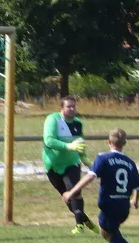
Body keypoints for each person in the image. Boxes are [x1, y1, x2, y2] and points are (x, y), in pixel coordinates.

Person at [62, 128, 139, 243]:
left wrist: (71, 192)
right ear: (124, 143)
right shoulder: (130, 162)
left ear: (108, 141)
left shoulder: (103, 158)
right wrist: (135, 201)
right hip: (124, 206)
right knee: (112, 228)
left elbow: (90, 177)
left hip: (109, 204)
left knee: (105, 232)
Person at [42, 96, 98, 235]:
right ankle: (85, 220)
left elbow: (79, 142)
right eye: (69, 106)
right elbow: (49, 141)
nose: (72, 109)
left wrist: (84, 158)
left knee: (74, 191)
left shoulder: (78, 123)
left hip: (72, 163)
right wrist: (68, 146)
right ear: (61, 108)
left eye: (74, 106)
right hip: (52, 165)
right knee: (66, 196)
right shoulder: (53, 119)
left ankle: (79, 225)